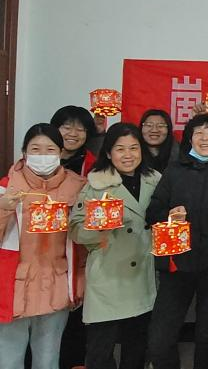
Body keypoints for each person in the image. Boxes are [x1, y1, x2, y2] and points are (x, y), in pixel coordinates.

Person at [146, 113, 208, 369]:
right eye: (199, 132)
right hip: (176, 264)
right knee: (161, 335)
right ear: (190, 139)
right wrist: (168, 215)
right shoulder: (175, 170)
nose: (205, 138)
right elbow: (153, 212)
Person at [69, 122, 161, 369]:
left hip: (144, 274)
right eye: (120, 149)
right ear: (109, 153)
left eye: (134, 148)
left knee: (137, 349)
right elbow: (75, 229)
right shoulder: (95, 184)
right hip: (108, 276)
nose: (128, 155)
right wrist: (101, 228)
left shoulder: (155, 180)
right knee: (100, 352)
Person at [0, 124, 86, 369]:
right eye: (35, 149)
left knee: (48, 360)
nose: (42, 156)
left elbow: (82, 244)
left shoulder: (77, 186)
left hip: (56, 283)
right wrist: (3, 208)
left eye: (50, 150)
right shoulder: (6, 186)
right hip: (14, 285)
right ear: (24, 153)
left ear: (61, 152)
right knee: (9, 360)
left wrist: (80, 281)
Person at [50, 106, 97, 177]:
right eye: (67, 128)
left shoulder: (92, 164)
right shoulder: (41, 155)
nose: (73, 134)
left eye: (80, 129)